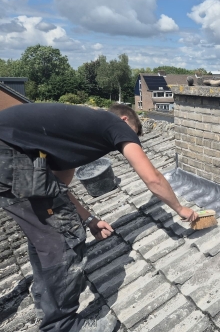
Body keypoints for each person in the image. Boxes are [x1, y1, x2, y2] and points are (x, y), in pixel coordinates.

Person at [0, 102, 198, 331]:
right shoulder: (113, 122)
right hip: (9, 157)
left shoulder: (69, 140)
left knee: (46, 230)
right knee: (63, 238)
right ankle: (61, 325)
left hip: (12, 157)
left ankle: (46, 295)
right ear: (125, 120)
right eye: (133, 134)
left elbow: (58, 192)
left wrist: (90, 219)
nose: (129, 142)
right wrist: (181, 209)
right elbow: (152, 178)